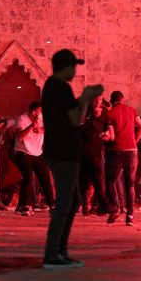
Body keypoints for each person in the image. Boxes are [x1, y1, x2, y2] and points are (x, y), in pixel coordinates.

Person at [42, 48, 104, 268]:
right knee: (65, 203)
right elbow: (76, 119)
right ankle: (52, 253)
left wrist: (81, 98)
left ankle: (60, 251)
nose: (75, 71)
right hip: (62, 152)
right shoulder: (60, 87)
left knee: (73, 201)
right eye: (73, 67)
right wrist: (86, 98)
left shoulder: (51, 86)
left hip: (58, 151)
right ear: (66, 67)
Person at [103, 91, 141, 226]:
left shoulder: (109, 114)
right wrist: (135, 141)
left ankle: (115, 207)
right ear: (123, 99)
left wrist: (104, 137)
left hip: (116, 151)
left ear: (112, 101)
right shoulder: (132, 111)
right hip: (132, 151)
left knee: (110, 181)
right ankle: (130, 216)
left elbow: (112, 135)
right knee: (130, 185)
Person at [14, 101, 55, 216]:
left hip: (38, 153)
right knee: (29, 178)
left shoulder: (43, 118)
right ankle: (25, 205)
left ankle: (52, 205)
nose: (42, 113)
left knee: (45, 178)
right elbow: (20, 137)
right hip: (23, 152)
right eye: (40, 110)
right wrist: (32, 126)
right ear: (33, 111)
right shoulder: (22, 119)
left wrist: (41, 129)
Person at [79, 97, 112, 216]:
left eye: (100, 99)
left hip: (98, 150)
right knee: (85, 180)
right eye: (96, 100)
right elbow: (79, 128)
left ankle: (102, 205)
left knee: (98, 178)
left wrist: (107, 135)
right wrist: (93, 117)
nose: (98, 102)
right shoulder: (84, 111)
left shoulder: (105, 112)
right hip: (84, 151)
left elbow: (109, 128)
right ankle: (85, 206)